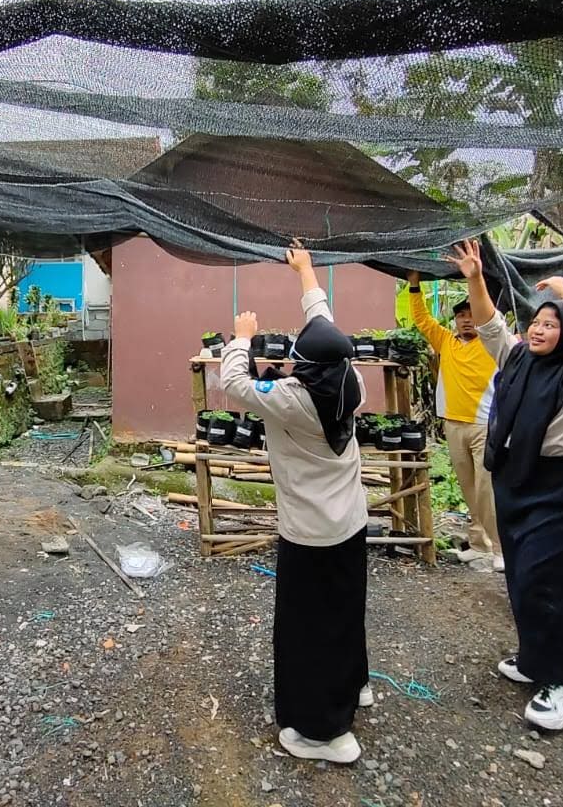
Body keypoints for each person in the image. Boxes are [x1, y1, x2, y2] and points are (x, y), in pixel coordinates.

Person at [447, 239, 563, 731]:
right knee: (520, 577)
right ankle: (532, 660)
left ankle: (559, 686)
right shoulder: (516, 359)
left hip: (560, 485)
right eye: (537, 322)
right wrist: (475, 278)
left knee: (543, 583)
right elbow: (488, 324)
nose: (540, 329)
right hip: (515, 479)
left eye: (551, 324)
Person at [220, 246, 370, 764]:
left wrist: (241, 338)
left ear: (305, 372)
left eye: (295, 362)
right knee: (346, 613)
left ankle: (323, 732)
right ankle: (355, 687)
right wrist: (304, 270)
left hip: (310, 535)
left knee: (309, 629)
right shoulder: (351, 383)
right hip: (350, 524)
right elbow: (324, 325)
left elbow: (234, 384)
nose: (289, 363)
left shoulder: (290, 398)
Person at [406, 271, 502, 570]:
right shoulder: (446, 341)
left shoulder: (492, 343)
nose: (466, 320)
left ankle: (501, 549)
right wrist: (413, 285)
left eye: (472, 314)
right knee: (469, 488)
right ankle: (478, 544)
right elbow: (422, 319)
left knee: (489, 490)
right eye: (461, 315)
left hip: (484, 425)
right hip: (453, 424)